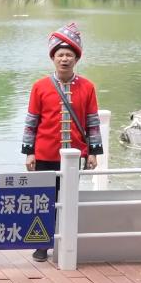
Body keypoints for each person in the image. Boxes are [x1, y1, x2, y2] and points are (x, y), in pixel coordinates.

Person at [22, 22, 102, 262]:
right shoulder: (40, 86)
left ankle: (66, 243)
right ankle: (41, 245)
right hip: (45, 153)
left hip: (74, 155)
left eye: (69, 55)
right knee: (42, 200)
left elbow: (92, 121)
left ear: (76, 59)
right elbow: (31, 121)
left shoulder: (87, 86)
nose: (64, 59)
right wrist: (29, 152)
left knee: (68, 200)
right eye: (60, 55)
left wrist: (93, 152)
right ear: (53, 58)